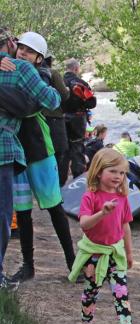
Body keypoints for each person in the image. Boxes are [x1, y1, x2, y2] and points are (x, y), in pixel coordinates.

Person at [3, 32, 77, 283]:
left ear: (39, 58)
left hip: (38, 149)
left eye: (29, 51)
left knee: (54, 206)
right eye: (20, 48)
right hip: (15, 148)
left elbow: (36, 102)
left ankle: (72, 263)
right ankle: (28, 266)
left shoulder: (42, 74)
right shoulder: (10, 69)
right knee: (22, 211)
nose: (22, 53)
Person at [68, 148, 140, 324]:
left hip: (116, 253)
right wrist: (102, 213)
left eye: (121, 173)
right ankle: (86, 322)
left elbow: (125, 226)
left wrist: (129, 253)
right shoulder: (90, 197)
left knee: (121, 293)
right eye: (113, 171)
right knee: (91, 290)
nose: (118, 177)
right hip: (95, 254)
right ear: (98, 171)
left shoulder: (122, 199)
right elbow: (85, 224)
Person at [63, 58, 96, 181]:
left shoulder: (58, 81)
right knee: (77, 147)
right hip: (77, 119)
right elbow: (92, 102)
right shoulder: (80, 83)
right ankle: (78, 180)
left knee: (62, 149)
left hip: (60, 119)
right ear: (76, 69)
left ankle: (61, 181)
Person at [42, 53, 71, 186]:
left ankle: (46, 183)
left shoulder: (32, 72)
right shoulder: (53, 73)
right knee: (60, 152)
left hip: (40, 118)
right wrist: (68, 90)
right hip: (55, 118)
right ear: (50, 61)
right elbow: (64, 95)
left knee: (45, 153)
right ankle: (59, 185)